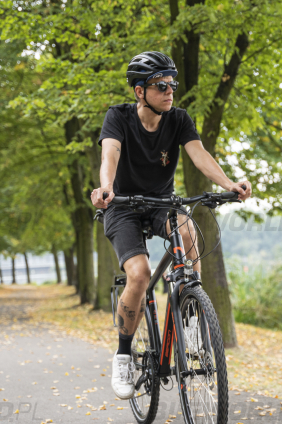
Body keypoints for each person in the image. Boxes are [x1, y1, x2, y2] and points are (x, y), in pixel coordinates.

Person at [90, 51, 252, 399]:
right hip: (123, 205)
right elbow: (110, 156)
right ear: (139, 92)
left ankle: (190, 312)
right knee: (139, 274)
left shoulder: (179, 119)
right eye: (161, 85)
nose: (170, 91)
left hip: (163, 202)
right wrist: (107, 188)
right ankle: (122, 354)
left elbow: (199, 154)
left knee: (190, 232)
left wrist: (228, 185)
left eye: (172, 85)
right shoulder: (117, 118)